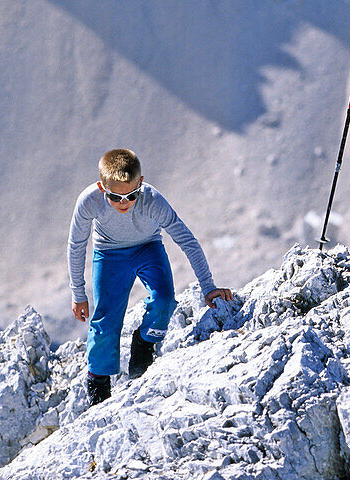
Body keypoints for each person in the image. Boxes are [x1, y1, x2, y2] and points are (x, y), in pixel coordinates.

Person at [67, 148, 233, 405]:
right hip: (109, 254)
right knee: (104, 323)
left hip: (148, 248)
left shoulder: (153, 200)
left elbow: (187, 240)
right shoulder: (88, 200)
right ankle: (99, 390)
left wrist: (208, 287)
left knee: (165, 300)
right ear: (102, 188)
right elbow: (76, 245)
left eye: (132, 195)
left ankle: (144, 343)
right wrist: (78, 293)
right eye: (115, 196)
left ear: (141, 184)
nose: (124, 203)